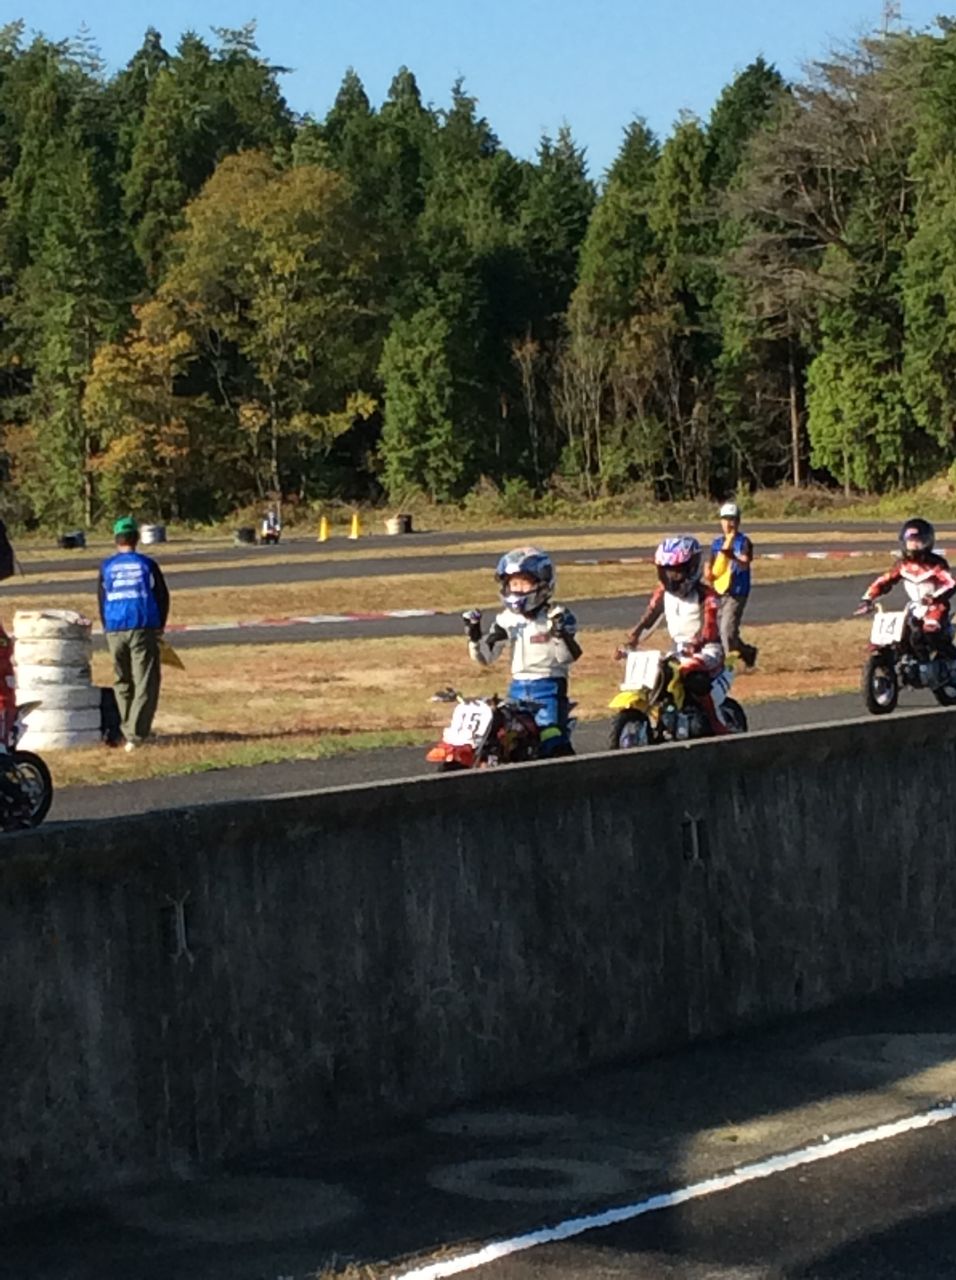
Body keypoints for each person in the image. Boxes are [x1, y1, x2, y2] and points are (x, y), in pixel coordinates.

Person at [462, 547, 581, 757]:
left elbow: (568, 657)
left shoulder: (557, 615)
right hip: (516, 690)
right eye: (513, 584)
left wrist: (559, 634)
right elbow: (486, 657)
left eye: (524, 583)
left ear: (542, 583)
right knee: (500, 734)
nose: (517, 589)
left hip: (549, 689)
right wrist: (474, 636)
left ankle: (567, 768)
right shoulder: (506, 619)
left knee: (551, 736)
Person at [624, 535, 728, 735]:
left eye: (677, 571)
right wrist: (633, 636)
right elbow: (649, 616)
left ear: (692, 568)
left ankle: (716, 723)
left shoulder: (707, 596)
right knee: (656, 672)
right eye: (667, 571)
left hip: (708, 649)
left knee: (692, 673)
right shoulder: (662, 593)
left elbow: (709, 627)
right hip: (678, 649)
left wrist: (697, 643)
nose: (671, 577)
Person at [98, 516, 170, 752]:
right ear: (137, 538)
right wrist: (160, 625)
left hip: (114, 627)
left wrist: (107, 626)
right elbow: (162, 596)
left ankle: (127, 727)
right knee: (146, 681)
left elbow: (101, 598)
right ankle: (135, 735)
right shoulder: (146, 564)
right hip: (142, 624)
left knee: (122, 680)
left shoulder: (107, 567)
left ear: (116, 539)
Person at [854, 517, 956, 655]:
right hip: (913, 607)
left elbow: (951, 584)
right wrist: (867, 598)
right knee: (901, 632)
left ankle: (948, 659)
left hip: (935, 607)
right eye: (910, 542)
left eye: (917, 542)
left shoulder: (937, 564)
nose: (913, 546)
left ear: (927, 542)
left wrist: (934, 598)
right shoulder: (902, 565)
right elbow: (884, 581)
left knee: (930, 632)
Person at [707, 501, 758, 668]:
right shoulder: (717, 543)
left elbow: (745, 562)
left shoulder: (743, 542)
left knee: (726, 630)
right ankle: (747, 652)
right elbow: (711, 564)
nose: (729, 523)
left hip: (737, 591)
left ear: (738, 521)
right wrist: (708, 573)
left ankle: (728, 667)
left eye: (733, 519)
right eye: (726, 519)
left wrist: (732, 556)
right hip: (720, 591)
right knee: (722, 631)